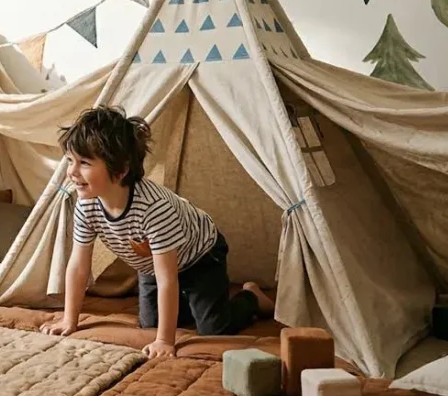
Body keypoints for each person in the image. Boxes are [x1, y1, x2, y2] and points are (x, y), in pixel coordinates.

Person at [38, 106, 274, 358]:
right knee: (149, 325)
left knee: (213, 328)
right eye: (70, 160)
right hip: (151, 262)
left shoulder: (153, 209)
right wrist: (68, 320)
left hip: (201, 256)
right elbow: (78, 266)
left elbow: (167, 278)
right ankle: (189, 300)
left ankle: (251, 296)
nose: (72, 172)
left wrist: (165, 340)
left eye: (84, 163)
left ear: (120, 170)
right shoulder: (86, 204)